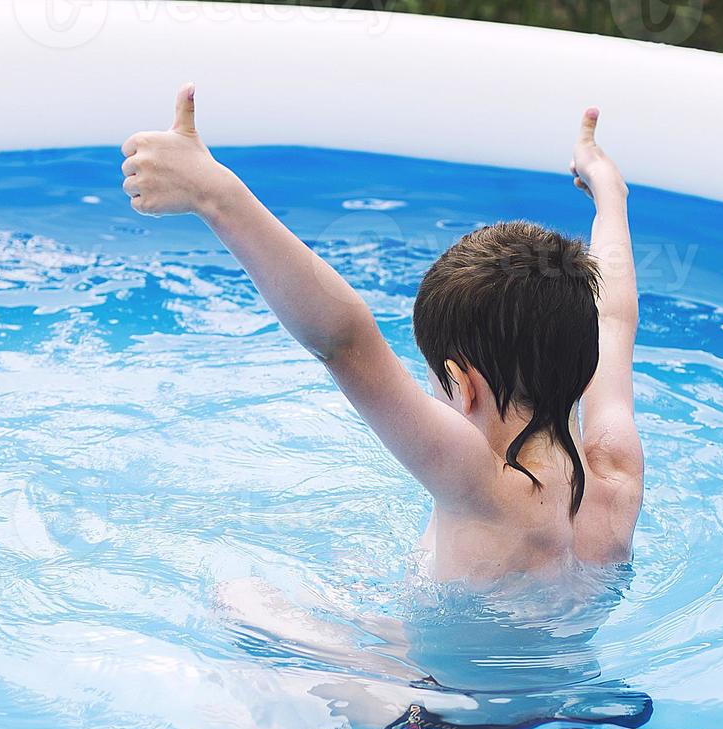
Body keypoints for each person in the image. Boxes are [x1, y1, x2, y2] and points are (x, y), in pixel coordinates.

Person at [120, 83, 643, 587]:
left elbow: (345, 342)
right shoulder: (616, 471)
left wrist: (217, 196)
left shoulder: (481, 483)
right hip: (555, 670)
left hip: (436, 682)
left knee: (242, 599)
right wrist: (609, 194)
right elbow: (614, 319)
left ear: (462, 385)